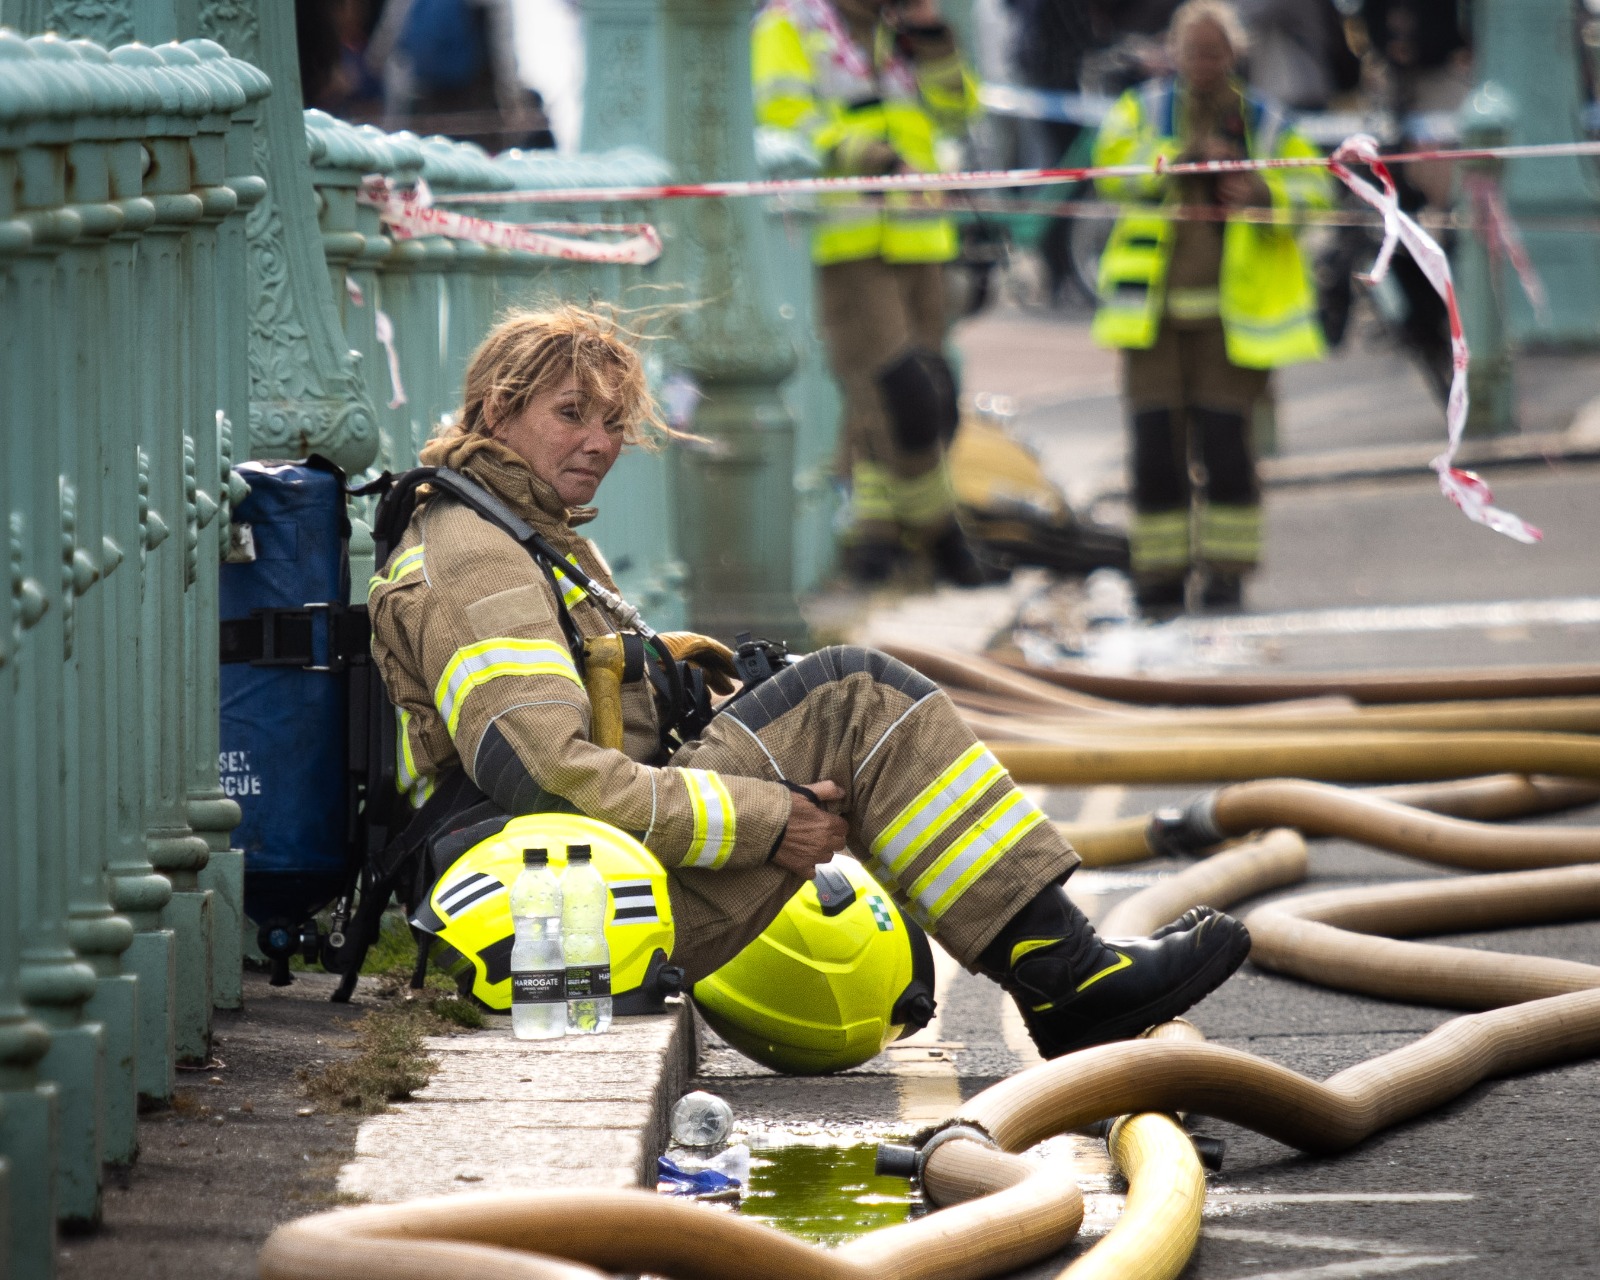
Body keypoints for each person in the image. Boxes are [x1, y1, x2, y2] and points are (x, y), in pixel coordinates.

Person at [366, 304, 1252, 1059]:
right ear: (496, 408)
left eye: (613, 423)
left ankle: (1063, 967)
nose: (599, 444)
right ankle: (1068, 976)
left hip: (593, 879)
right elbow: (547, 777)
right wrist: (768, 819)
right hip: (563, 906)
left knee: (828, 695)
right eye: (570, 415)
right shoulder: (475, 558)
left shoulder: (517, 528)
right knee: (853, 696)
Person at [1091, 0, 1330, 614]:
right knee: (1154, 454)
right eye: (1192, 51)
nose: (1202, 63)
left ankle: (1226, 575)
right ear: (1173, 53)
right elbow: (1108, 172)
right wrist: (1169, 164)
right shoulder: (1142, 111)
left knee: (1227, 452)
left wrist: (1262, 191)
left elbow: (1315, 193)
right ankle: (1160, 578)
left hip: (1229, 326)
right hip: (1153, 323)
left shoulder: (1266, 122)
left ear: (1234, 55)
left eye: (1213, 51)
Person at [752, 0, 994, 586]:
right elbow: (784, 115)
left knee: (921, 392)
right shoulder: (790, 25)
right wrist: (860, 151)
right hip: (850, 236)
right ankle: (941, 534)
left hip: (919, 234)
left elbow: (957, 111)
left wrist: (934, 37)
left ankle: (877, 536)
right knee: (900, 393)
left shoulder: (903, 28)